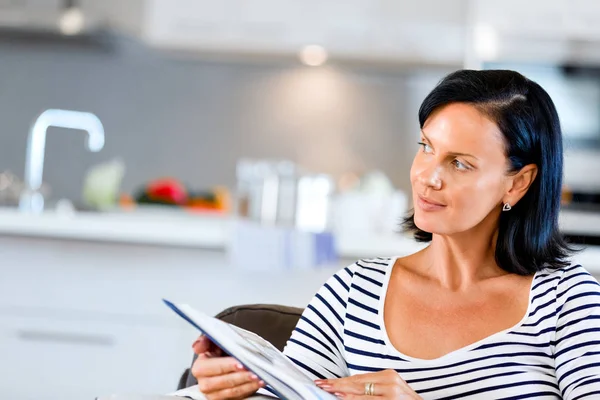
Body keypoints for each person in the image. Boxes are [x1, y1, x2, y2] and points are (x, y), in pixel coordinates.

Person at [190, 69, 600, 399]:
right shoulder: (354, 292)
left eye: (459, 163)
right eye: (426, 147)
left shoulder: (569, 302)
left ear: (518, 183)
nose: (427, 177)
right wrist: (232, 387)